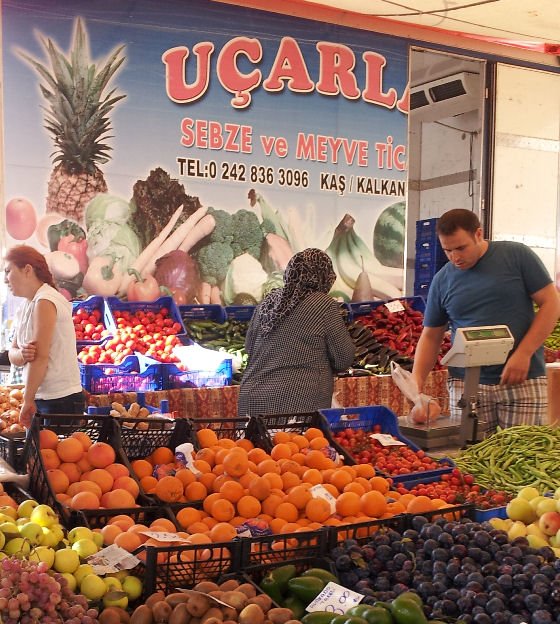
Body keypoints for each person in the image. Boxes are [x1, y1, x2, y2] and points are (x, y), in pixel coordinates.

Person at [412, 209, 560, 433]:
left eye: (461, 248)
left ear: (478, 234)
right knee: (470, 459)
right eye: (448, 250)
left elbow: (551, 303)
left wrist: (524, 353)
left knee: (523, 458)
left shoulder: (516, 256)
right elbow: (431, 336)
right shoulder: (442, 279)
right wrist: (416, 384)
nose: (455, 257)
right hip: (466, 384)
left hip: (523, 380)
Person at [238, 248, 355, 417]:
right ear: (325, 276)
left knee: (254, 444)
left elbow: (249, 347)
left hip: (252, 401)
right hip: (297, 405)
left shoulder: (268, 302)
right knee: (293, 444)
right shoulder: (323, 304)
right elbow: (343, 358)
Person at [4, 245, 85, 427]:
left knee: (53, 455)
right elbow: (13, 354)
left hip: (60, 400)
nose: (4, 279)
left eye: (8, 271)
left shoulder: (46, 301)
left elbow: (40, 358)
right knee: (42, 455)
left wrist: (28, 399)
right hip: (45, 398)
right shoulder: (26, 305)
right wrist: (22, 355)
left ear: (27, 270)